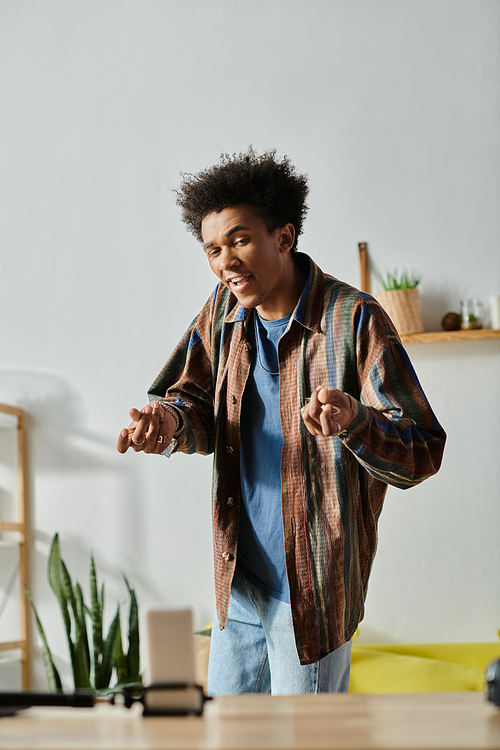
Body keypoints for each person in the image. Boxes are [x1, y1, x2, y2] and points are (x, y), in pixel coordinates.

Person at [117, 148, 446, 696]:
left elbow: (422, 453)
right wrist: (167, 425)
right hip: (237, 586)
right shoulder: (222, 314)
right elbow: (194, 407)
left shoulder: (356, 319)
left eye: (240, 240)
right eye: (213, 249)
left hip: (311, 596)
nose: (225, 262)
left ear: (284, 237)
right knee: (225, 738)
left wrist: (357, 420)